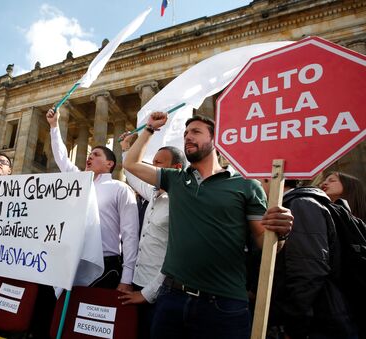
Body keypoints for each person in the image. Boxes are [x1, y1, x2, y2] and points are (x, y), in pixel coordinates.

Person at [120, 112, 293, 339]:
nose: (188, 137)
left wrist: (280, 234)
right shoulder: (176, 179)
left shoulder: (246, 185)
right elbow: (130, 164)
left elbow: (264, 242)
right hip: (172, 298)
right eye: (185, 133)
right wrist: (150, 129)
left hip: (223, 304)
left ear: (216, 139)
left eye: (196, 132)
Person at [46, 108, 139, 292]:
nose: (90, 157)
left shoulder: (120, 188)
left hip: (106, 263)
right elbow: (62, 158)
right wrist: (54, 125)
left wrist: (127, 278)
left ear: (109, 164)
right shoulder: (79, 183)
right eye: (90, 154)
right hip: (72, 258)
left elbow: (130, 235)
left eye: (96, 155)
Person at [260, 179, 358, 339]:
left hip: (317, 324)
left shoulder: (300, 204)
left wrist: (293, 327)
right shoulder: (298, 203)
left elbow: (308, 271)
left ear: (267, 178)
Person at [120, 132, 186, 338]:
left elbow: (177, 256)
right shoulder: (154, 193)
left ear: (176, 169)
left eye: (157, 163)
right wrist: (125, 149)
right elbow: (132, 173)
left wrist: (147, 294)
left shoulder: (183, 203)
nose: (150, 167)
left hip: (162, 291)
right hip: (139, 283)